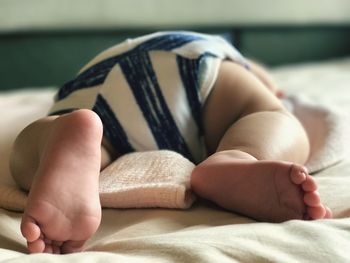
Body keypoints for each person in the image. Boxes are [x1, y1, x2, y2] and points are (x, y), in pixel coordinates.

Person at [9, 31, 332, 254]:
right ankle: (240, 155)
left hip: (92, 85)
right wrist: (271, 96)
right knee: (272, 118)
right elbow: (269, 95)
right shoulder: (238, 64)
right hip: (197, 65)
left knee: (32, 153)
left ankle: (61, 133)